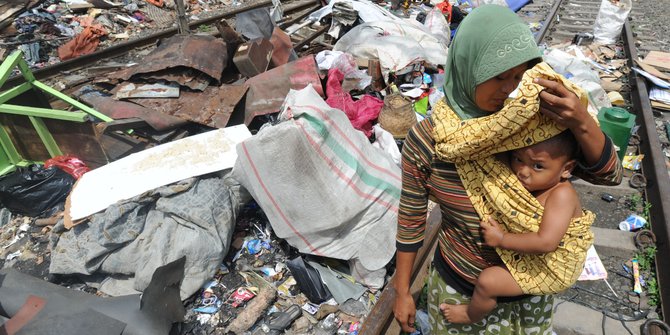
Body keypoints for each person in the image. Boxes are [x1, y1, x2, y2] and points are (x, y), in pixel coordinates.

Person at [393, 4, 623, 334]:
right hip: (460, 289)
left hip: (528, 291)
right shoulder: (428, 141)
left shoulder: (526, 121)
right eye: (499, 76)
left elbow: (609, 176)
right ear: (467, 65)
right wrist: (402, 291)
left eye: (517, 77)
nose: (508, 89)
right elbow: (411, 218)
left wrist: (582, 122)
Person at [442, 131, 595, 324]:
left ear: (567, 169)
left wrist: (502, 239)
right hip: (539, 258)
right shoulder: (531, 186)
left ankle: (471, 315)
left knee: (488, 282)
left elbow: (546, 242)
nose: (522, 171)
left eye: (538, 166)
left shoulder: (562, 194)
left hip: (554, 269)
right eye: (517, 159)